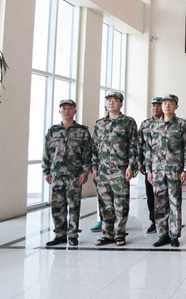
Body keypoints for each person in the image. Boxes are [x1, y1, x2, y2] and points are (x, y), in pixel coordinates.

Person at [144, 94, 186, 247]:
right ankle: (162, 234)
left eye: (170, 103)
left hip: (174, 170)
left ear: (176, 106)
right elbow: (148, 149)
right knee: (159, 203)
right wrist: (148, 170)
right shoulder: (153, 125)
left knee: (174, 203)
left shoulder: (182, 124)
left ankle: (174, 235)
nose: (166, 106)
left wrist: (185, 169)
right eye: (164, 103)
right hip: (157, 170)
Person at [42, 99, 92, 247]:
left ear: (75, 111)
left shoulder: (82, 131)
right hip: (57, 174)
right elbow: (46, 152)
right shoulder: (53, 131)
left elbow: (87, 153)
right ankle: (59, 234)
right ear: (59, 111)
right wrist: (46, 170)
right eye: (63, 108)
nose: (66, 110)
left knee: (74, 205)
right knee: (57, 205)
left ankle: (72, 234)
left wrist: (85, 171)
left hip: (74, 175)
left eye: (70, 108)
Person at [92, 91, 138, 247]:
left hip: (120, 169)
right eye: (109, 100)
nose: (111, 102)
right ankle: (107, 233)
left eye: (115, 100)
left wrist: (131, 166)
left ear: (121, 104)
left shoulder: (128, 122)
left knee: (121, 203)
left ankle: (119, 234)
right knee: (105, 204)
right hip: (103, 170)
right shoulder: (99, 124)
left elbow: (133, 146)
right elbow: (94, 147)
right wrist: (94, 167)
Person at [138, 96, 164, 234]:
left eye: (158, 105)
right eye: (153, 105)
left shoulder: (168, 123)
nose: (155, 108)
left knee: (165, 196)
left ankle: (166, 222)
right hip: (150, 166)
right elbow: (140, 144)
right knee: (150, 195)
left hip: (166, 166)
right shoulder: (145, 124)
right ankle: (153, 221)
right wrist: (140, 162)